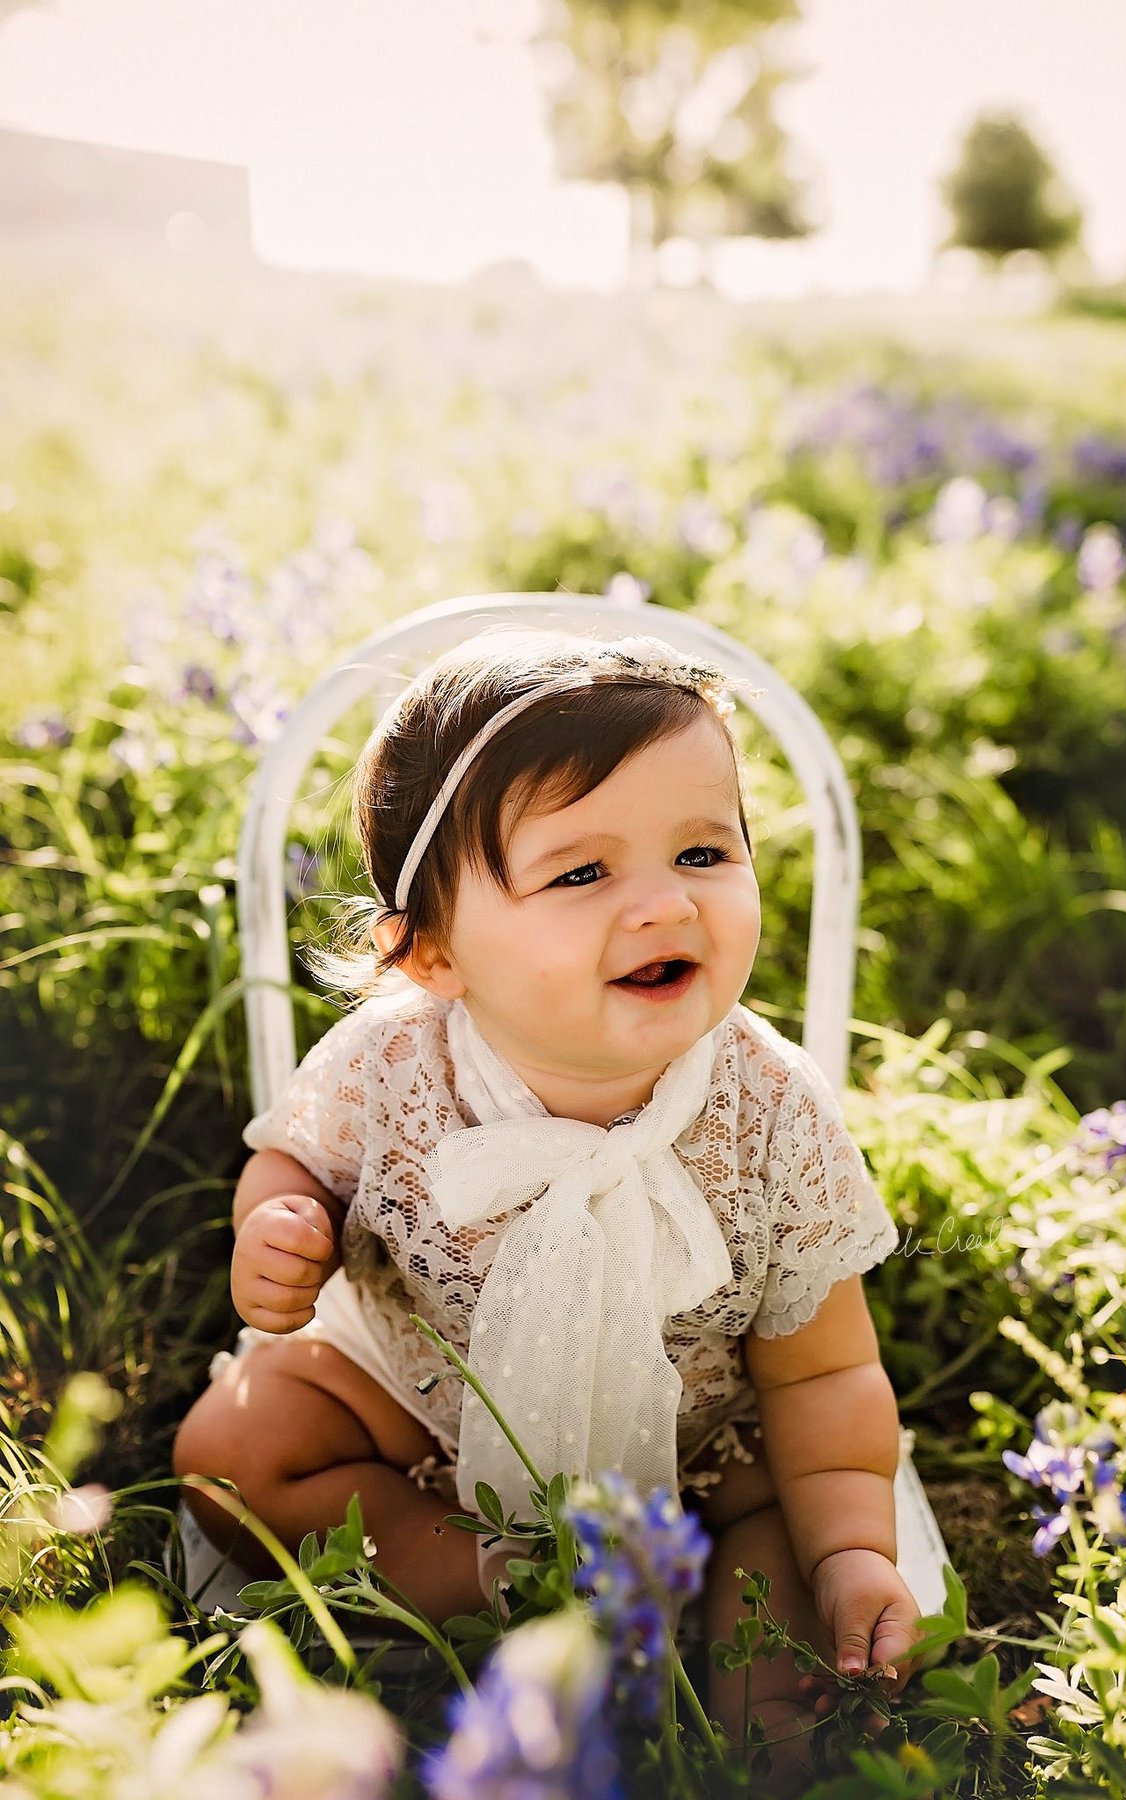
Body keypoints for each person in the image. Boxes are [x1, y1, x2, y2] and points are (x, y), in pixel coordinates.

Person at [172, 625, 928, 1782]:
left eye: (703, 853)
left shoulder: (769, 1108)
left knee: (788, 1547)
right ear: (431, 953)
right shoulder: (393, 1063)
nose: (665, 905)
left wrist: (851, 1548)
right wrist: (275, 1225)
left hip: (697, 1450)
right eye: (581, 874)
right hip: (424, 1412)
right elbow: (297, 1159)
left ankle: (744, 1671)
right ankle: (500, 1580)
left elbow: (822, 1373)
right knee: (235, 1447)